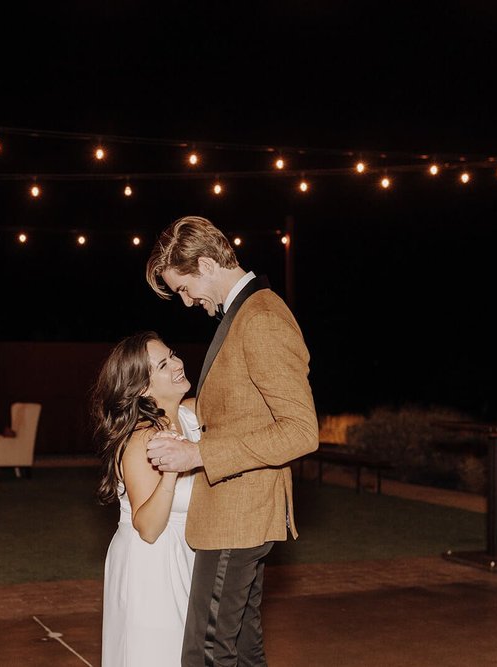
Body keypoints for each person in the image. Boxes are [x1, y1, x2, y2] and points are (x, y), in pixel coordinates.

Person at [144, 215, 319, 666]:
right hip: (236, 513)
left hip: (238, 515)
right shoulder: (243, 314)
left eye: (184, 288)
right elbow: (235, 407)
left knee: (204, 651)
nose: (186, 302)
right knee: (241, 647)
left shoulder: (260, 317)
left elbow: (301, 431)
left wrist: (197, 453)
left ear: (205, 264)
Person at [94, 330, 202, 666]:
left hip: (188, 555)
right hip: (151, 565)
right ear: (142, 387)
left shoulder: (192, 414)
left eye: (172, 354)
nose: (177, 365)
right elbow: (149, 527)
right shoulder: (141, 439)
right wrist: (172, 469)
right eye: (163, 365)